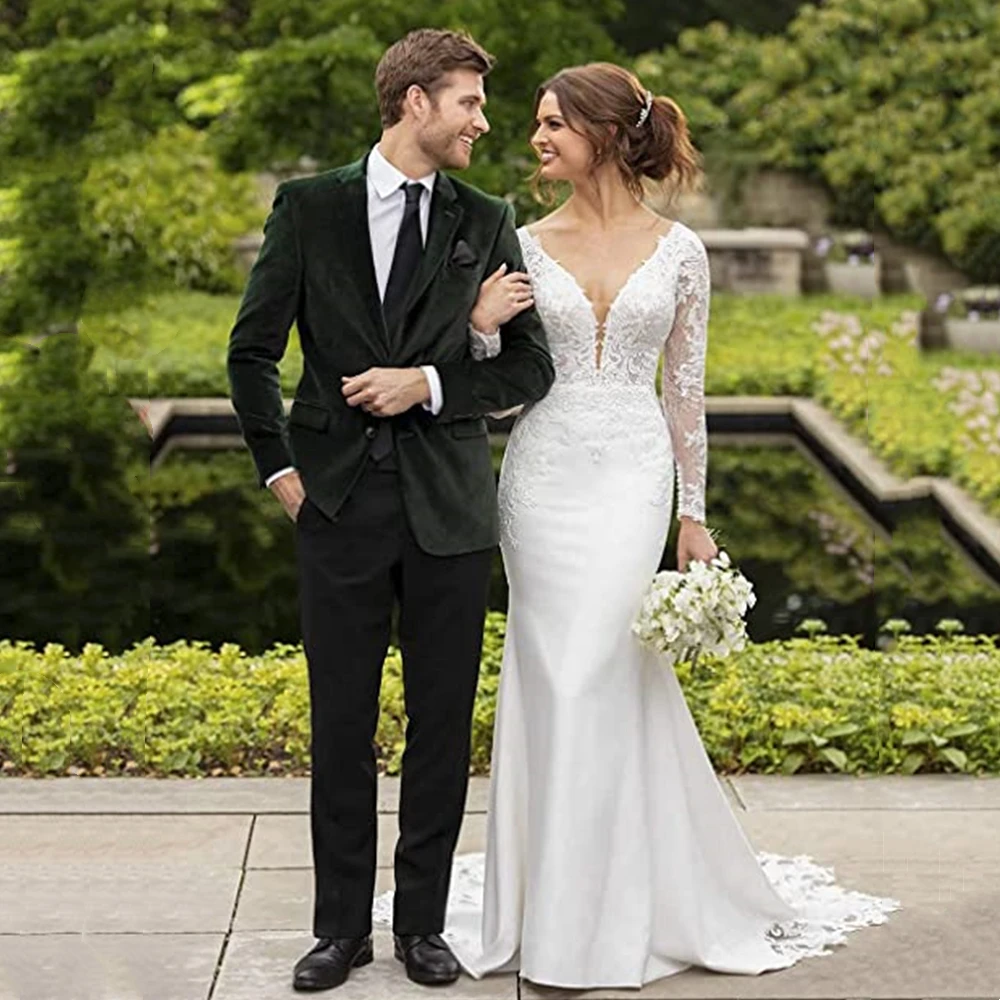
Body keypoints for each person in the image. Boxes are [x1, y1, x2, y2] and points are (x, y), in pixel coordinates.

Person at [372, 62, 899, 988]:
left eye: (551, 124)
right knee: (557, 673)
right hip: (543, 477)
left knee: (606, 670)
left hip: (633, 476)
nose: (534, 138)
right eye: (532, 123)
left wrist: (693, 516)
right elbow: (499, 390)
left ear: (605, 133)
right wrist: (482, 327)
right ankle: (551, 907)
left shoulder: (682, 251)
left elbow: (684, 394)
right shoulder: (519, 240)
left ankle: (611, 908)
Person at [226, 29, 554, 993]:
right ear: (415, 103)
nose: (483, 123)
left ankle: (420, 929)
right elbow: (251, 354)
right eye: (468, 103)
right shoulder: (310, 207)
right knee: (340, 723)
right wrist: (278, 471)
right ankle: (338, 931)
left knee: (443, 724)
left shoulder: (486, 218)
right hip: (335, 504)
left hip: (450, 509)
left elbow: (533, 364)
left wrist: (435, 380)